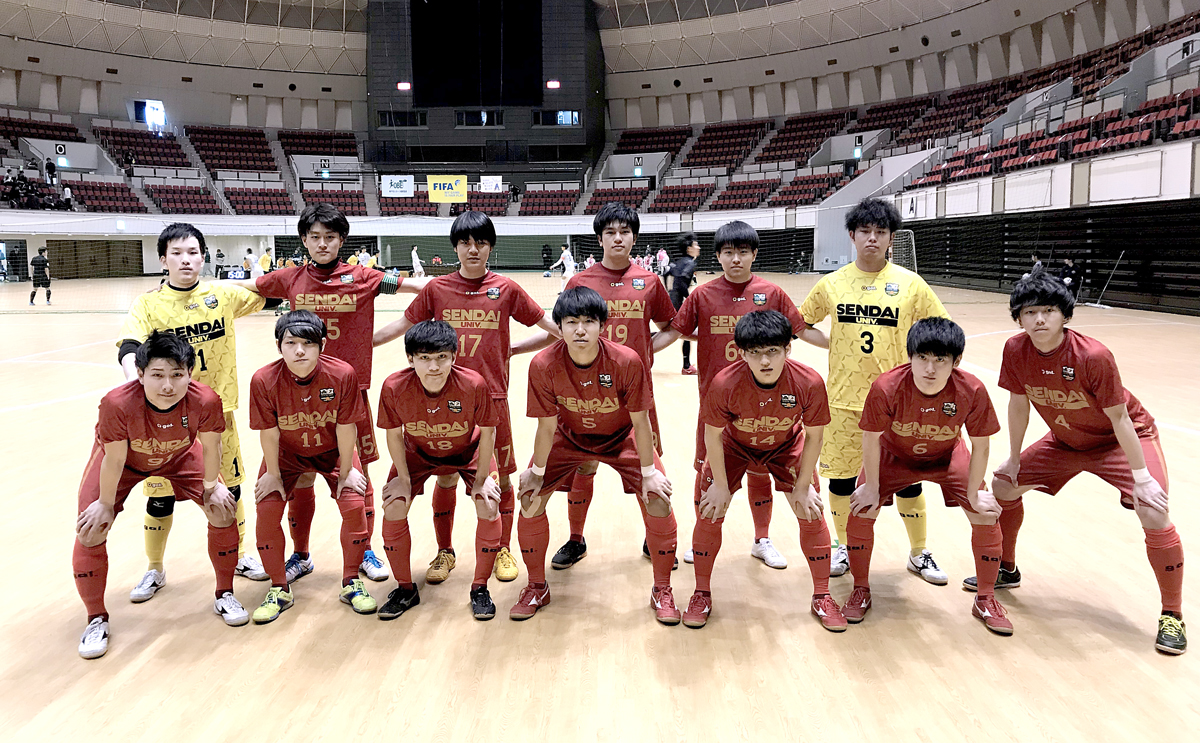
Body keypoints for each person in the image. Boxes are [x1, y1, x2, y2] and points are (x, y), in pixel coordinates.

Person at [964, 267, 1186, 654]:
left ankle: (1172, 614)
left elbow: (1120, 419)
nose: (1039, 319)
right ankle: (1008, 569)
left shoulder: (1093, 356)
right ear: (1018, 317)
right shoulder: (1015, 350)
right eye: (1029, 312)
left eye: (1048, 311)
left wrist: (1142, 478)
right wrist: (1014, 459)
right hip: (1066, 440)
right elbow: (1019, 405)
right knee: (1003, 486)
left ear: (1064, 315)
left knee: (1152, 511)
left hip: (1118, 440)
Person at [231, 204, 421, 586]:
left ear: (341, 241)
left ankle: (364, 550)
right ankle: (301, 556)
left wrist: (377, 339)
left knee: (356, 474)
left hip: (349, 391)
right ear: (303, 240)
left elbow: (420, 289)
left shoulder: (364, 277)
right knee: (301, 477)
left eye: (330, 237)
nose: (322, 243)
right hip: (299, 386)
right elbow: (246, 287)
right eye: (314, 237)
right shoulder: (289, 278)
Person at [373, 211, 561, 584]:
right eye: (465, 243)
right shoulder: (437, 289)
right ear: (455, 247)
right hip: (437, 396)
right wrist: (356, 343)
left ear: (490, 246)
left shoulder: (505, 289)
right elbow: (402, 326)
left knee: (500, 480)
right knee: (445, 479)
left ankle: (502, 547)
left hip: (491, 399)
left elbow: (550, 328)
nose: (473, 249)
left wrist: (517, 348)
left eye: (481, 242)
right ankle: (445, 551)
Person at [515, 203, 677, 571]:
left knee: (648, 473)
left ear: (634, 237)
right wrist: (515, 349)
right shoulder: (579, 282)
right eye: (610, 232)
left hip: (632, 391)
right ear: (600, 238)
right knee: (583, 467)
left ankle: (655, 539)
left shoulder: (649, 282)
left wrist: (646, 352)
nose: (618, 238)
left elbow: (670, 326)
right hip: (583, 391)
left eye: (624, 232)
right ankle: (576, 539)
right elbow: (562, 333)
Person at [117, 223, 273, 601]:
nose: (185, 259)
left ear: (203, 256)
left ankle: (235, 556)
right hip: (166, 419)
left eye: (192, 252)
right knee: (160, 497)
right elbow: (129, 348)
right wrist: (139, 390)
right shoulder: (148, 305)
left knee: (229, 490)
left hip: (218, 415)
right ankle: (154, 569)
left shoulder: (223, 294)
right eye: (176, 253)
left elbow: (272, 292)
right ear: (163, 260)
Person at [799, 197, 951, 583]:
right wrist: (831, 342)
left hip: (898, 404)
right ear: (852, 236)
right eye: (864, 231)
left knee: (907, 481)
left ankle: (919, 552)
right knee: (842, 479)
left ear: (891, 238)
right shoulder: (832, 283)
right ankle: (844, 547)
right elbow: (799, 323)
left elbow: (941, 331)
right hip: (843, 400)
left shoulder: (910, 285)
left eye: (880, 232)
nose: (872, 238)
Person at [511, 287, 679, 623]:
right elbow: (546, 427)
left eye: (589, 322)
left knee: (658, 499)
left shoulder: (627, 361)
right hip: (568, 435)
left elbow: (640, 422)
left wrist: (649, 473)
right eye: (571, 322)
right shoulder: (543, 364)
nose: (580, 330)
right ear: (558, 326)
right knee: (529, 498)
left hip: (621, 437)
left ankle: (662, 588)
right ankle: (536, 586)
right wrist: (537, 472)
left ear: (603, 325)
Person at [74, 332, 245, 660]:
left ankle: (224, 593)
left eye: (177, 375)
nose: (168, 385)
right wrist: (106, 505)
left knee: (223, 509)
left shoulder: (205, 400)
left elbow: (212, 446)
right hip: (124, 462)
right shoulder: (117, 404)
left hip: (180, 455)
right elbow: (113, 459)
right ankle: (96, 618)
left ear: (189, 374)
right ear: (140, 374)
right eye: (157, 375)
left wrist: (213, 487)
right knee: (90, 527)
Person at [654, 221, 807, 569]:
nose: (735, 259)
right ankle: (701, 535)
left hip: (766, 402)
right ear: (718, 256)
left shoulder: (772, 293)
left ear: (754, 254)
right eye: (728, 252)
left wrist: (842, 347)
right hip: (717, 405)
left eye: (742, 252)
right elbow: (674, 333)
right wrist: (632, 354)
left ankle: (762, 540)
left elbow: (798, 334)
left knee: (760, 472)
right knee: (707, 471)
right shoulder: (703, 295)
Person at [845, 318, 1008, 633]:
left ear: (955, 361)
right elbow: (870, 438)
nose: (930, 368)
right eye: (922, 358)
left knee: (985, 513)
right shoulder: (887, 386)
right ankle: (861, 589)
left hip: (946, 455)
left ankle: (986, 598)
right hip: (892, 454)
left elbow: (981, 445)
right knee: (862, 508)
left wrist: (974, 493)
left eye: (940, 360)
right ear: (910, 356)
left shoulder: (971, 389)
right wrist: (872, 488)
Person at [688, 311, 838, 630]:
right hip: (734, 445)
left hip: (786, 444)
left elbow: (815, 436)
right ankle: (701, 593)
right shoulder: (725, 383)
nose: (764, 360)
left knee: (810, 509)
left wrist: (803, 486)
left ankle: (822, 596)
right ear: (741, 353)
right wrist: (718, 485)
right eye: (754, 352)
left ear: (788, 349)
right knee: (710, 509)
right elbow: (712, 434)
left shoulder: (808, 382)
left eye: (772, 350)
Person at [248, 311, 375, 623]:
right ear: (279, 346)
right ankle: (279, 588)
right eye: (291, 343)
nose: (299, 350)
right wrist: (273, 475)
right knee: (266, 510)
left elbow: (347, 428)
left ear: (323, 343)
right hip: (286, 455)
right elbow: (269, 431)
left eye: (307, 343)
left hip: (332, 451)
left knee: (354, 504)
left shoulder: (342, 374)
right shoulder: (263, 380)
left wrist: (347, 471)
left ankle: (350, 581)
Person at [376, 320, 504, 620]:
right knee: (393, 506)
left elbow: (488, 432)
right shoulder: (394, 386)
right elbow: (394, 435)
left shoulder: (474, 384)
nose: (433, 366)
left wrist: (482, 479)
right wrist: (404, 480)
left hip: (468, 449)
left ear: (453, 356)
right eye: (424, 358)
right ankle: (406, 589)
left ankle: (480, 587)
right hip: (417, 453)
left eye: (441, 358)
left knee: (488, 504)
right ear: (410, 359)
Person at [663, 233, 700, 373]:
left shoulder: (679, 261)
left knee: (671, 332)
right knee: (684, 332)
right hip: (678, 304)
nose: (699, 247)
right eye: (696, 245)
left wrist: (668, 291)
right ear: (689, 248)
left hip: (672, 302)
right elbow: (680, 281)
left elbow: (668, 273)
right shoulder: (690, 263)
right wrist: (690, 298)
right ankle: (686, 366)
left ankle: (687, 365)